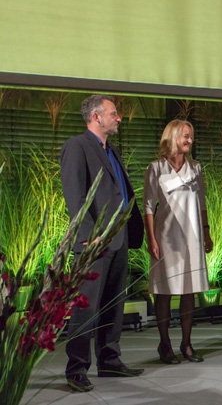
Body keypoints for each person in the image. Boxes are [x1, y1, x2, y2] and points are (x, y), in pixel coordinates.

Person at [60, 95, 144, 392]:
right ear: (96, 117)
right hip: (93, 241)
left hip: (118, 239)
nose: (119, 117)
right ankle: (76, 368)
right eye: (114, 113)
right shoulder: (77, 146)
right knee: (86, 306)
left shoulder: (112, 150)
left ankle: (109, 361)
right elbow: (75, 195)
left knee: (113, 304)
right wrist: (86, 235)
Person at [143, 120, 213, 364]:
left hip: (193, 235)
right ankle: (165, 344)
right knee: (164, 291)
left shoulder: (196, 168)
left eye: (191, 136)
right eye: (185, 136)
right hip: (166, 237)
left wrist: (207, 232)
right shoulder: (156, 168)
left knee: (189, 290)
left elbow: (202, 203)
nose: (189, 140)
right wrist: (151, 238)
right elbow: (149, 206)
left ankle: (187, 343)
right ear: (172, 136)